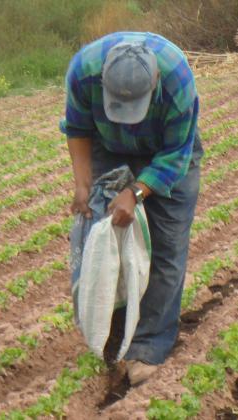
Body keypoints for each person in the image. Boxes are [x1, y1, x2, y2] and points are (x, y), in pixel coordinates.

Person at [59, 32, 202, 385]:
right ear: (103, 81)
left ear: (153, 84)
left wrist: (136, 192)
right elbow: (77, 128)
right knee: (104, 238)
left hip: (167, 152)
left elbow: (176, 154)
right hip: (108, 147)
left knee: (167, 248)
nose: (127, 117)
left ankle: (149, 345)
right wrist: (82, 183)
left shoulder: (177, 80)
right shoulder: (84, 69)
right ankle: (112, 333)